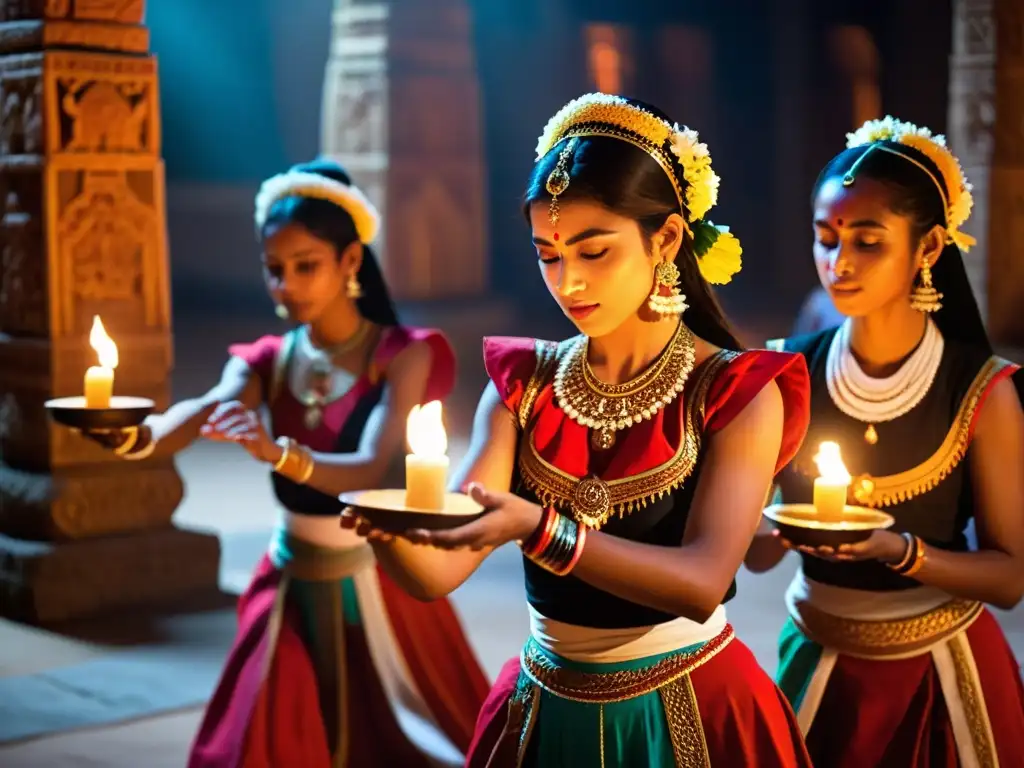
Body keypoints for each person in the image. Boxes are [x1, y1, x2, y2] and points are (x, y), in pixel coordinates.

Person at [342, 93, 814, 767]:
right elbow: (443, 568)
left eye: (594, 251)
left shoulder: (733, 392)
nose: (569, 282)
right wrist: (386, 528)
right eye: (549, 255)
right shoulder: (523, 386)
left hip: (684, 705)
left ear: (668, 239)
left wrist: (540, 530)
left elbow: (703, 579)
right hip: (547, 702)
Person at [87, 159, 489, 767]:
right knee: (267, 733)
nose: (287, 285)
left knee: (418, 729)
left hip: (376, 571)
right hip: (290, 572)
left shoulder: (399, 355)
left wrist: (278, 453)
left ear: (351, 261)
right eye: (275, 271)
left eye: (307, 266)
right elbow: (205, 408)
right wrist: (136, 438)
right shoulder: (270, 357)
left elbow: (373, 467)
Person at [745, 116, 1024, 767]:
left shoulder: (981, 390)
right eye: (824, 239)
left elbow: (1010, 578)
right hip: (817, 663)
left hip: (944, 672)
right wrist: (772, 521)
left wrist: (897, 551)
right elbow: (757, 560)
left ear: (927, 249)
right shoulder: (787, 373)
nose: (837, 263)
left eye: (867, 242)